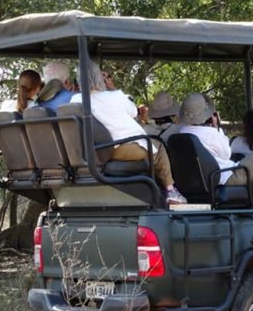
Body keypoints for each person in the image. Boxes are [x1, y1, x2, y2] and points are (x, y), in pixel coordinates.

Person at [70, 61, 187, 205]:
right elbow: (133, 112)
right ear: (100, 78)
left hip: (99, 150)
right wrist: (111, 87)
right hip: (125, 148)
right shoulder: (116, 96)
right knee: (158, 147)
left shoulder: (75, 100)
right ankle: (171, 190)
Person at [179, 93, 253, 210]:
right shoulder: (210, 133)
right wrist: (217, 129)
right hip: (226, 176)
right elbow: (226, 154)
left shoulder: (183, 132)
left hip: (205, 180)